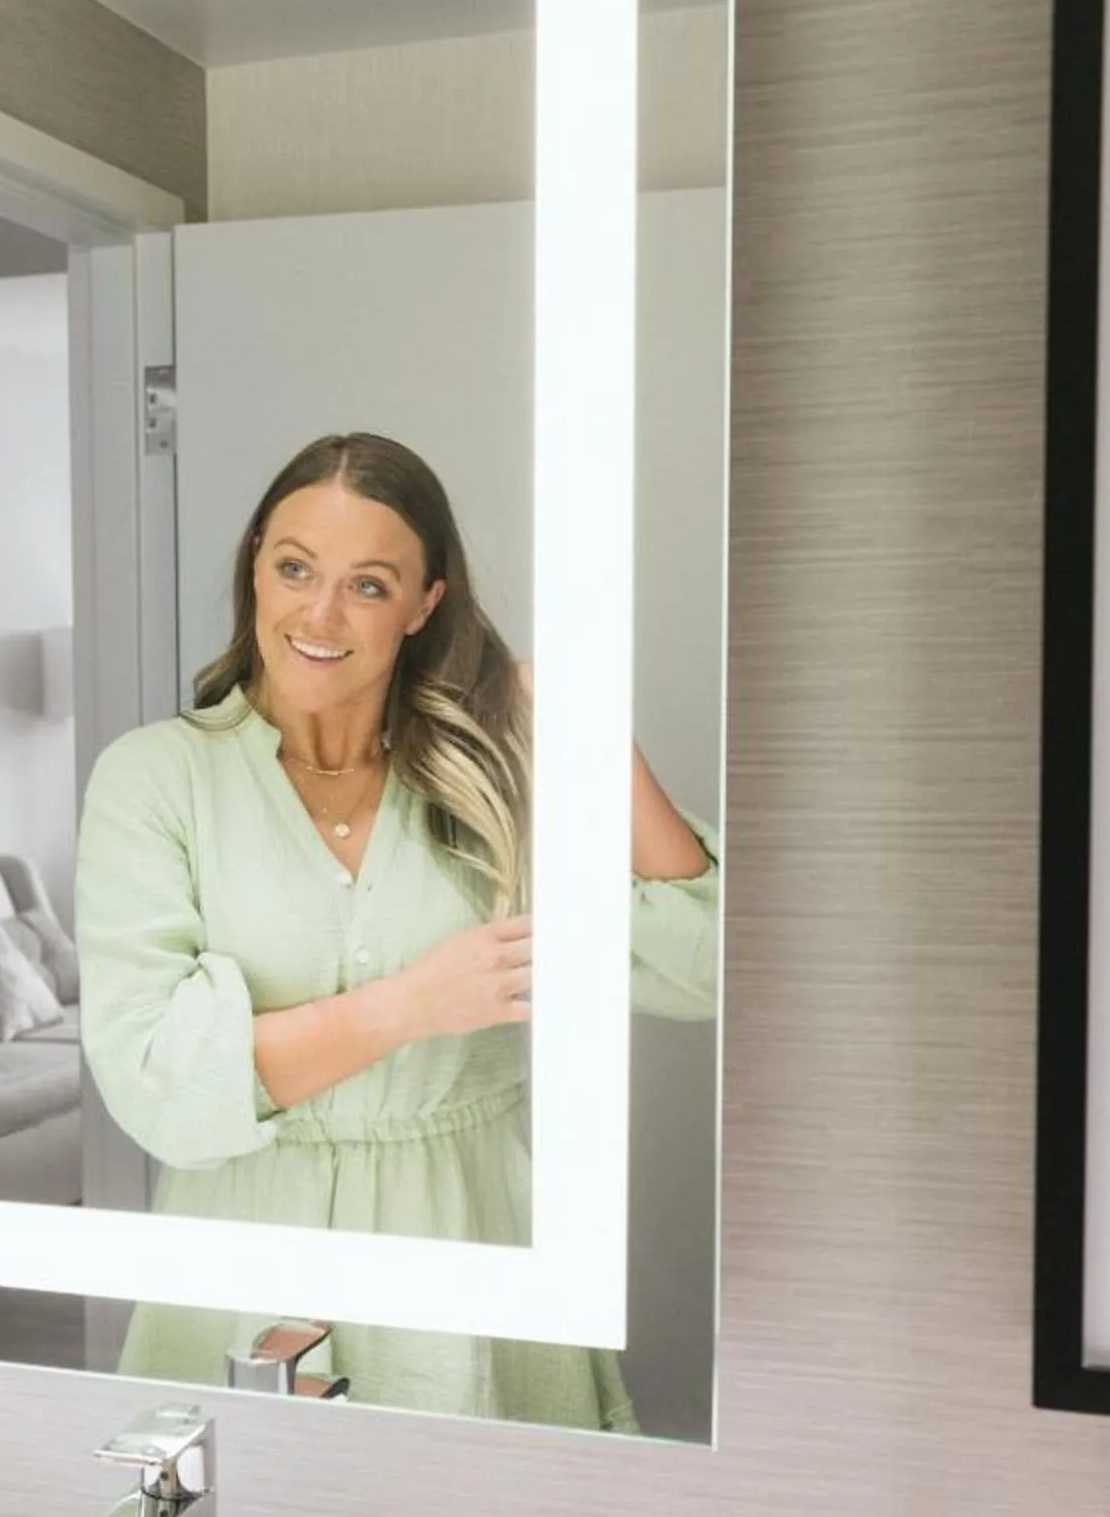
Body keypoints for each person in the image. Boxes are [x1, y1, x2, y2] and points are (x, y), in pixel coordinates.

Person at [75, 432, 717, 1433]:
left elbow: (707, 967)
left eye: (368, 586)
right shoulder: (155, 779)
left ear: (424, 603)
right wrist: (410, 1006)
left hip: (467, 1239)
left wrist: (591, 731)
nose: (319, 615)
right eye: (296, 568)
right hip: (242, 1250)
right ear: (255, 564)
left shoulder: (494, 776)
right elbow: (157, 1082)